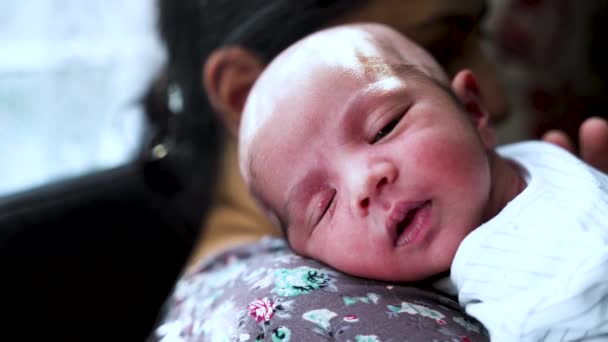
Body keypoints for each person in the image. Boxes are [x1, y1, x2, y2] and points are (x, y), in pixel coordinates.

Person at [151, 1, 608, 340]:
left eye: (386, 127)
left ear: (470, 109)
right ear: (244, 93)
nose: (498, 96)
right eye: (442, 46)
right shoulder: (292, 315)